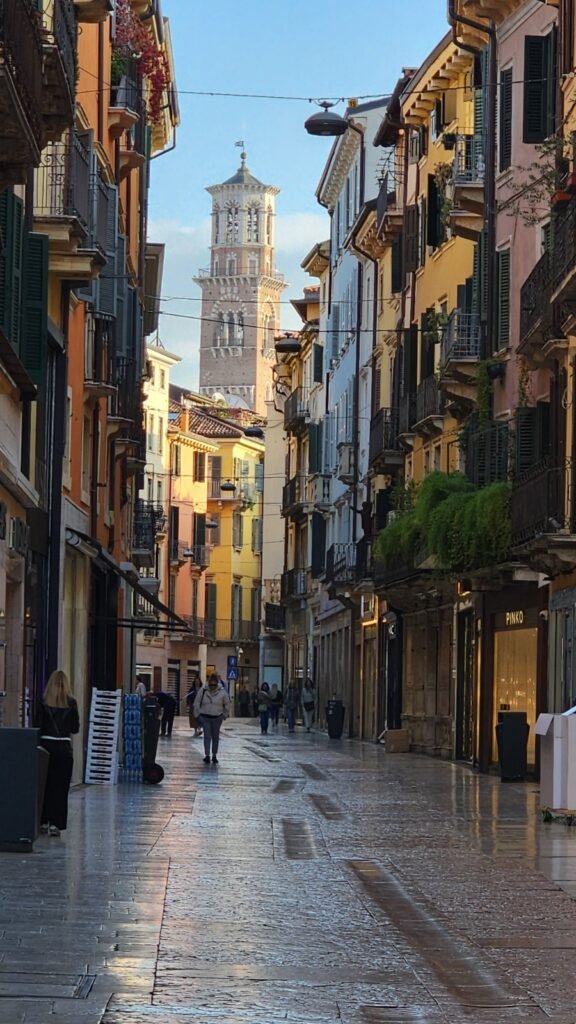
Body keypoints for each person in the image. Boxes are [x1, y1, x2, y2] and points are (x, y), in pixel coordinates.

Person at [37, 670, 80, 836]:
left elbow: (37, 725)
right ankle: (56, 824)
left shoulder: (43, 702)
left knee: (44, 787)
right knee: (60, 789)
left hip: (45, 747)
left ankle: (42, 822)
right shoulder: (71, 703)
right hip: (63, 748)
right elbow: (75, 728)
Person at [194, 673, 230, 764]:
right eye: (211, 684)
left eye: (214, 685)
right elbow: (197, 702)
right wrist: (197, 715)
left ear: (217, 683)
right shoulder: (203, 690)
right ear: (209, 683)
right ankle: (207, 755)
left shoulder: (222, 692)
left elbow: (227, 704)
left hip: (217, 717)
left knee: (215, 737)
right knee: (207, 736)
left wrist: (224, 715)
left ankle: (214, 755)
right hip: (205, 716)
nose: (213, 687)